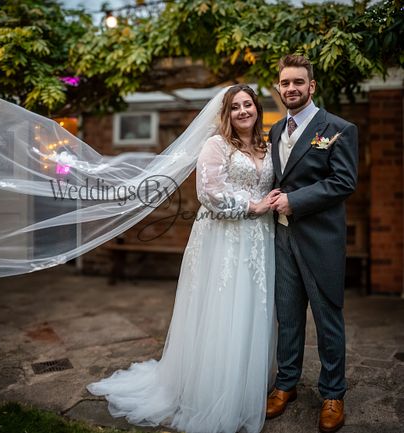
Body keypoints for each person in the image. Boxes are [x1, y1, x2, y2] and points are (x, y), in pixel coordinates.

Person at [87, 84, 277, 433]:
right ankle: (213, 391)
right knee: (223, 309)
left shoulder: (267, 146)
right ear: (226, 114)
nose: (243, 111)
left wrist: (270, 202)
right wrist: (254, 205)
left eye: (248, 104)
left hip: (259, 238)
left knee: (253, 307)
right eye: (235, 107)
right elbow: (209, 194)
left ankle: (246, 384)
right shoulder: (215, 145)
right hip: (223, 238)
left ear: (257, 108)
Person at [266, 55, 358, 433]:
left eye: (298, 82)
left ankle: (333, 394)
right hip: (283, 236)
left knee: (327, 318)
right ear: (279, 88)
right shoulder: (274, 131)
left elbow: (343, 181)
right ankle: (286, 384)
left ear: (311, 86)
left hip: (320, 240)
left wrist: (295, 201)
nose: (291, 88)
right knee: (287, 317)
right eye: (285, 83)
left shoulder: (337, 128)